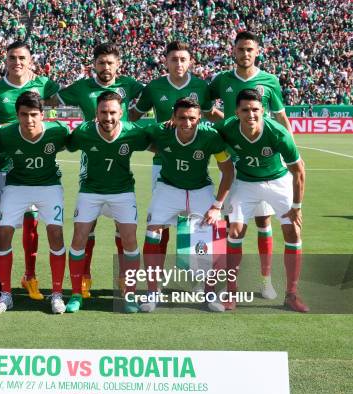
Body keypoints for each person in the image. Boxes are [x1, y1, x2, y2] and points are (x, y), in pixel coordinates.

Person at [130, 41, 224, 282]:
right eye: (174, 59)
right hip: (163, 163)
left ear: (190, 61)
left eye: (183, 59)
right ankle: (157, 278)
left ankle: (194, 273)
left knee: (196, 226)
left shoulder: (201, 86)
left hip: (193, 162)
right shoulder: (154, 87)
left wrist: (236, 126)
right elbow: (133, 116)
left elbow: (212, 114)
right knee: (161, 223)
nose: (179, 64)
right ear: (166, 61)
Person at [209, 31, 293, 299]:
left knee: (263, 219)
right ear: (233, 51)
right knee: (231, 224)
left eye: (249, 49)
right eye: (240, 49)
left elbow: (280, 118)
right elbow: (205, 106)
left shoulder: (269, 81)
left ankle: (266, 280)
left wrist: (291, 151)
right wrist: (227, 122)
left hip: (266, 165)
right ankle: (227, 281)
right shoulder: (222, 80)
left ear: (257, 51)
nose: (245, 54)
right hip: (235, 164)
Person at [57, 42, 144, 298]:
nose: (106, 67)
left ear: (118, 64)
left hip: (121, 158)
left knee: (125, 231)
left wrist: (134, 118)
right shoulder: (82, 87)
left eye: (110, 63)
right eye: (101, 63)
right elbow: (52, 98)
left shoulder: (131, 84)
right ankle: (83, 277)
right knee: (86, 228)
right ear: (93, 64)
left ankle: (124, 279)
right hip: (91, 156)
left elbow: (152, 98)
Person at [215, 89, 308, 313]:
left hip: (278, 181)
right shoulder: (227, 128)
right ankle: (231, 293)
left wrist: (297, 207)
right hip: (245, 182)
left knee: (293, 232)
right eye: (245, 110)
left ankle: (291, 295)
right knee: (235, 232)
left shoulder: (277, 132)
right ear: (236, 112)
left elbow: (299, 171)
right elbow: (205, 137)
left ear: (263, 111)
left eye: (255, 110)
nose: (251, 114)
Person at [0, 41, 60, 301]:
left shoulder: (44, 84)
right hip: (3, 169)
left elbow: (65, 99)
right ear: (5, 60)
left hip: (35, 168)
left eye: (22, 58)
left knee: (32, 224)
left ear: (30, 61)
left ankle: (29, 275)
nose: (17, 62)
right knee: (0, 225)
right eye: (12, 57)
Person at [142, 98, 234, 312]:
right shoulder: (160, 131)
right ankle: (152, 292)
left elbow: (228, 171)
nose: (187, 122)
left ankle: (210, 293)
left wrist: (217, 205)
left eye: (192, 118)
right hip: (168, 188)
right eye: (182, 118)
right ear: (173, 118)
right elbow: (138, 137)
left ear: (199, 118)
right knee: (152, 233)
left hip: (200, 190)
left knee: (215, 237)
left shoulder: (210, 137)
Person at [64, 91, 151, 314]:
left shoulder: (133, 132)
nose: (108, 117)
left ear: (121, 113)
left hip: (122, 192)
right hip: (90, 192)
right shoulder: (84, 131)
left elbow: (156, 142)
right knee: (78, 239)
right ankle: (76, 293)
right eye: (104, 112)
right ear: (96, 113)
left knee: (130, 241)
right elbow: (69, 144)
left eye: (113, 112)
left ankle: (130, 293)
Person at [0, 91, 70, 314]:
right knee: (4, 232)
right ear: (17, 115)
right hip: (16, 186)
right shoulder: (5, 134)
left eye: (34, 114)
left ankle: (56, 294)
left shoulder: (58, 131)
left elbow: (77, 139)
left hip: (49, 186)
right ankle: (6, 294)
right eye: (24, 115)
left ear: (42, 115)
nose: (29, 120)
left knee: (55, 233)